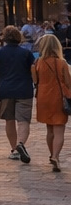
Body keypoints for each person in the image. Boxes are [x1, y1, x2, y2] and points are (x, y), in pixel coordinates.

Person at [0, 24, 35, 164]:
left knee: (9, 120)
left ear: (4, 37)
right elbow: (33, 70)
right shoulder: (26, 53)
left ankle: (14, 149)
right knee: (23, 120)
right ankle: (21, 144)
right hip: (24, 90)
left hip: (6, 90)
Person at [31, 33, 69, 172]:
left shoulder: (37, 63)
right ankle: (55, 156)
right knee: (59, 129)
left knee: (50, 130)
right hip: (58, 97)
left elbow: (35, 81)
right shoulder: (61, 63)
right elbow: (68, 82)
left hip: (43, 97)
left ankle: (52, 154)